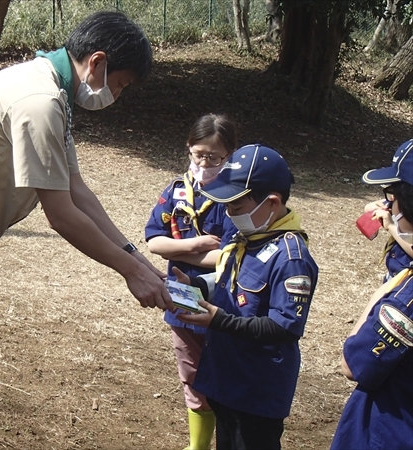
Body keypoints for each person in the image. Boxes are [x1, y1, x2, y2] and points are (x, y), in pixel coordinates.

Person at [0, 11, 173, 450]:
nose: (116, 94)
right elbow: (61, 214)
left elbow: (77, 190)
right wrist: (130, 272)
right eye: (120, 84)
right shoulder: (39, 100)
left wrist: (136, 258)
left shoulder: (51, 90)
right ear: (97, 63)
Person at [174, 144, 319, 450]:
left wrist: (220, 320)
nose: (229, 214)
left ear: (272, 203)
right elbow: (230, 282)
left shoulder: (291, 258)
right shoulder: (249, 238)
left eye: (236, 208)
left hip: (255, 391)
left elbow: (284, 327)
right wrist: (194, 286)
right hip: (225, 379)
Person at [144, 114, 238, 450]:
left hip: (222, 302)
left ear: (230, 155)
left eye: (214, 157)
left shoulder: (236, 199)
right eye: (199, 154)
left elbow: (229, 256)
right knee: (191, 375)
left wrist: (179, 253)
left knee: (224, 375)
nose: (205, 162)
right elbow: (154, 241)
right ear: (188, 149)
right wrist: (193, 246)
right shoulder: (176, 190)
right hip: (180, 298)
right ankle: (197, 445)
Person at [330, 142, 413, 450]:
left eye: (395, 199)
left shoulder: (405, 300)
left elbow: (354, 365)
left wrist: (384, 292)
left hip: (389, 428)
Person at [362, 139, 413, 281]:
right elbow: (370, 207)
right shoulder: (401, 205)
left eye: (395, 195)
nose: (391, 199)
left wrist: (391, 226)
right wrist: (380, 210)